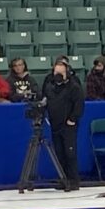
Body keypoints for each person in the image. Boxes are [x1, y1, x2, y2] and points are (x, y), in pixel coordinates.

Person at [42, 58, 84, 191]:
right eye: (56, 73)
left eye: (61, 73)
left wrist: (72, 119)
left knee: (69, 153)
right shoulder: (49, 86)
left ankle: (73, 180)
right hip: (55, 125)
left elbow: (79, 105)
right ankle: (63, 179)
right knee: (59, 153)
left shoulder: (74, 87)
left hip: (68, 125)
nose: (58, 76)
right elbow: (44, 99)